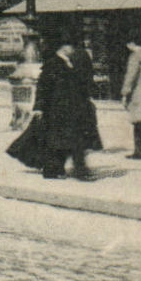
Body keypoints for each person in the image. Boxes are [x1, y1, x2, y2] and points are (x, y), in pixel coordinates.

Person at [33, 40, 100, 180]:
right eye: (71, 47)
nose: (73, 49)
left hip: (71, 109)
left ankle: (59, 171)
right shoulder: (52, 64)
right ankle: (75, 172)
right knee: (68, 142)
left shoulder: (69, 62)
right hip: (58, 109)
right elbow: (43, 87)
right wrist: (39, 107)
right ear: (63, 48)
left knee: (67, 141)